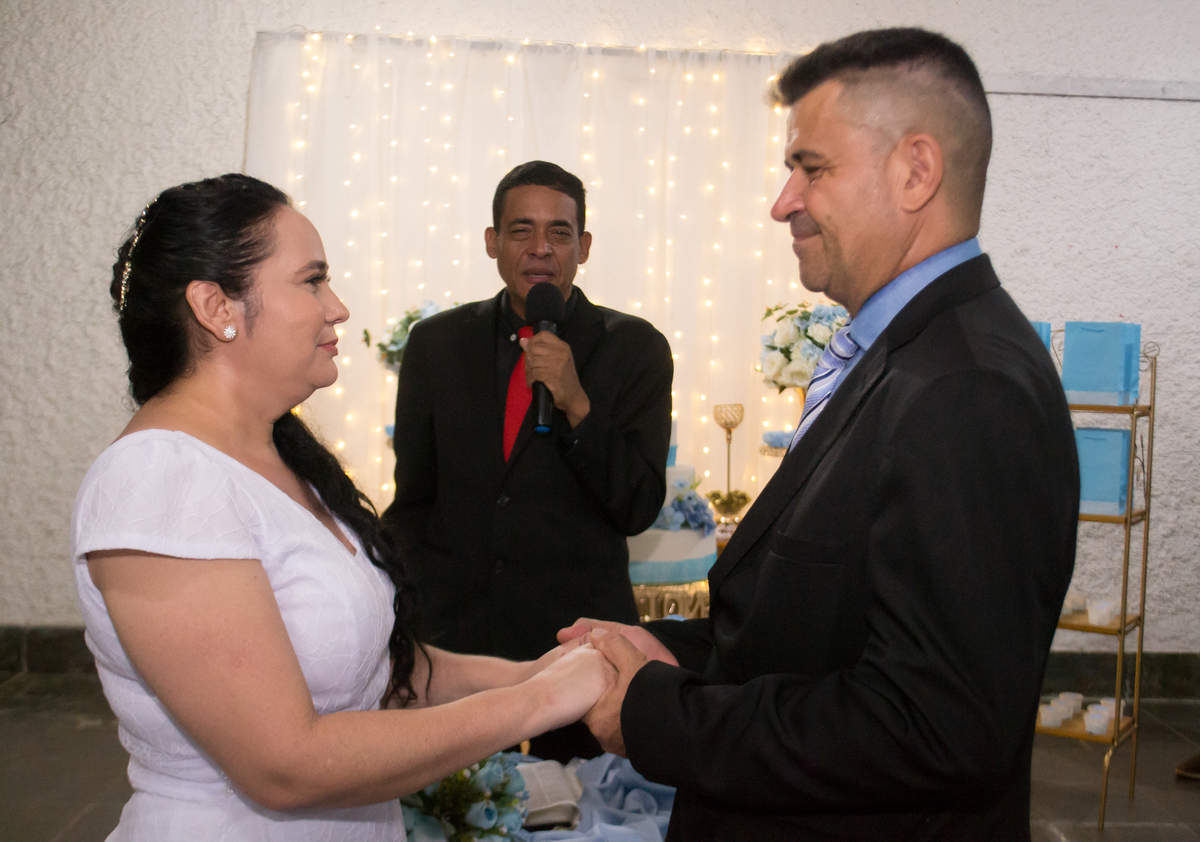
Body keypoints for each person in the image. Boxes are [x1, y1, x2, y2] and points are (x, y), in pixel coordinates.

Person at [563, 28, 1080, 840]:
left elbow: (932, 726)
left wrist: (667, 716)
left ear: (916, 172)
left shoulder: (967, 389)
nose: (783, 202)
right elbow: (817, 633)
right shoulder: (902, 356)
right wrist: (663, 655)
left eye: (811, 168)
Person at [73, 173, 614, 841]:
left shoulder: (281, 457)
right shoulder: (159, 480)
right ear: (218, 307)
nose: (338, 308)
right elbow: (285, 766)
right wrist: (538, 703)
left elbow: (379, 665)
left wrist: (531, 671)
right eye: (311, 281)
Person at [383, 161, 673, 762]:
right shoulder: (437, 344)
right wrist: (402, 628)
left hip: (577, 652)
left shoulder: (636, 348)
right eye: (521, 230)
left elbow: (638, 505)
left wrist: (576, 404)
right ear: (492, 242)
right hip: (454, 650)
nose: (541, 248)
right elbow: (413, 503)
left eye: (560, 232)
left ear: (583, 246)